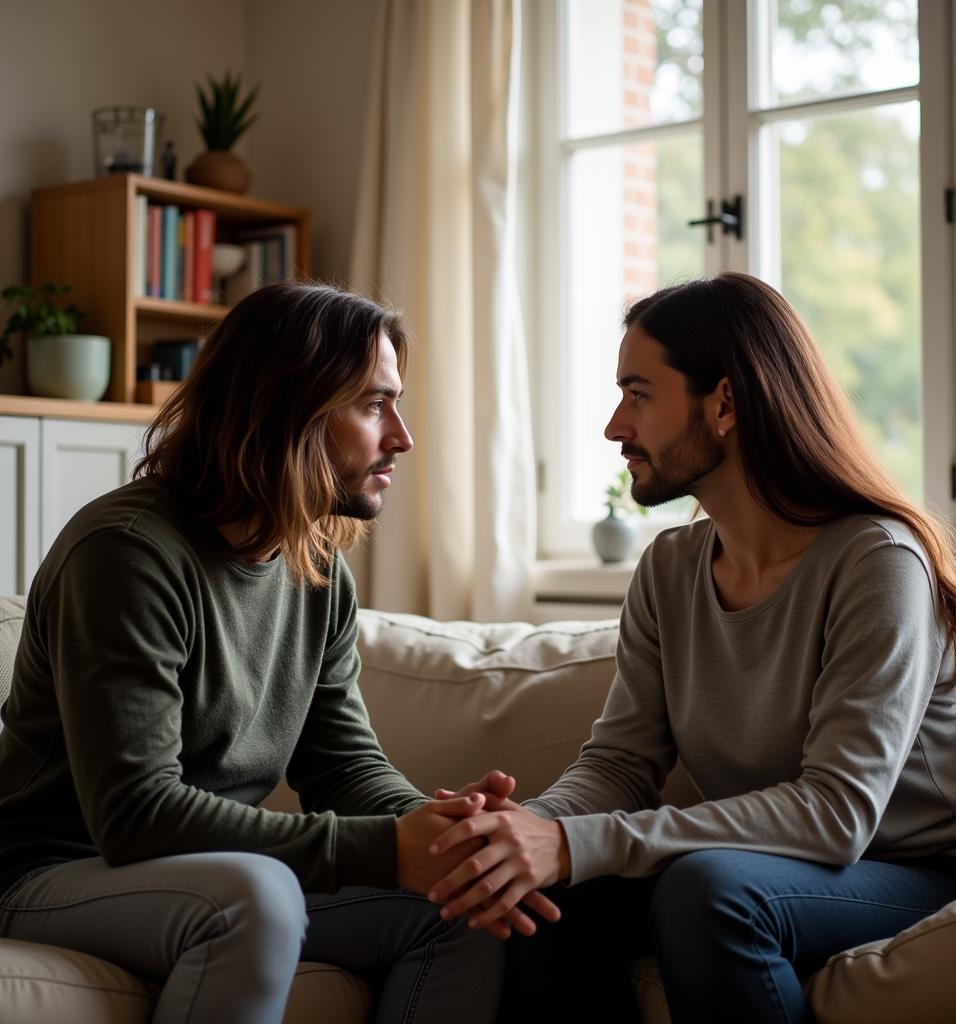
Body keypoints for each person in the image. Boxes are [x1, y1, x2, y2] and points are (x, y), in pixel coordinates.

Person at [425, 272, 956, 1023]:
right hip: (777, 867)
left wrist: (579, 842)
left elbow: (836, 813)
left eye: (638, 394)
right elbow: (620, 764)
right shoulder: (670, 569)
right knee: (544, 897)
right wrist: (524, 834)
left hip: (923, 868)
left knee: (709, 891)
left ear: (726, 403)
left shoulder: (877, 562)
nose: (614, 426)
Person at [0, 282, 554, 1024]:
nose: (402, 437)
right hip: (53, 871)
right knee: (253, 898)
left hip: (200, 872)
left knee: (454, 906)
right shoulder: (126, 555)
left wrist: (444, 833)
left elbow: (342, 764)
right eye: (373, 405)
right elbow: (135, 814)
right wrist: (388, 849)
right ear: (288, 410)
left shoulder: (316, 570)